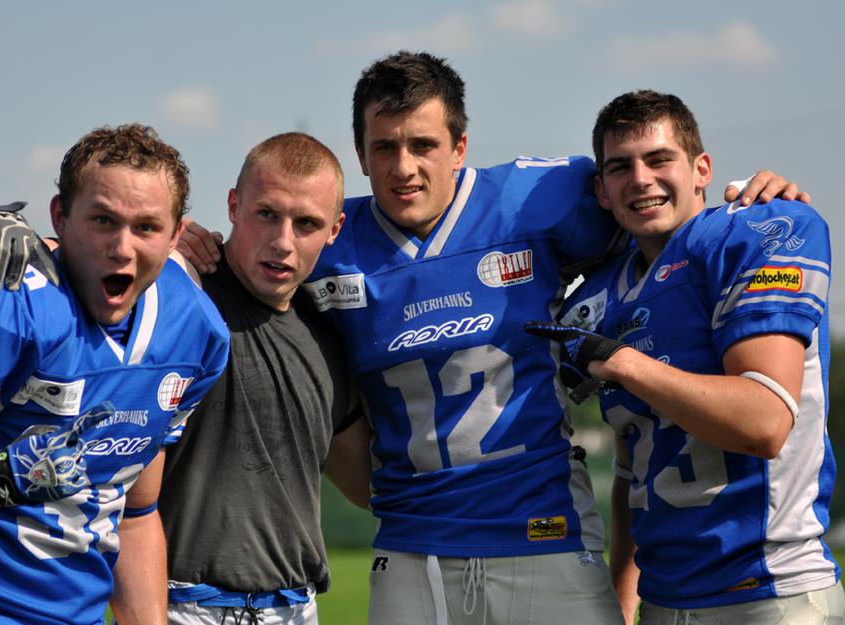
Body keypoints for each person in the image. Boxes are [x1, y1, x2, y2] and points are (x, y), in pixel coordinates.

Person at [175, 52, 806, 625]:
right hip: (413, 546)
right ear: (361, 156)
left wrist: (753, 203)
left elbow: (654, 208)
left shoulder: (542, 198)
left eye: (423, 144)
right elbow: (249, 259)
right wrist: (186, 245)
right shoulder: (328, 239)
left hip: (547, 532)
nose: (404, 167)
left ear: (460, 147)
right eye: (384, 146)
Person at [0, 132, 372, 625]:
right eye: (266, 214)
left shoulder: (329, 335)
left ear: (334, 229)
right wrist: (31, 242)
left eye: (306, 224)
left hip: (296, 610)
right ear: (233, 206)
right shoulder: (176, 292)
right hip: (177, 604)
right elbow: (102, 253)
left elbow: (369, 484)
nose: (282, 241)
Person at [526, 90, 842, 624]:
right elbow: (632, 463)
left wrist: (625, 363)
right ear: (602, 191)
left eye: (659, 159)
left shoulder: (759, 231)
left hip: (770, 593)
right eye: (620, 167)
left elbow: (764, 423)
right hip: (664, 599)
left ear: (702, 170)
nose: (641, 179)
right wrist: (624, 598)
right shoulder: (600, 297)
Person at [0, 124, 230, 625]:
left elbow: (136, 515)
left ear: (175, 236)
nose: (122, 248)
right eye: (102, 220)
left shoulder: (192, 327)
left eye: (146, 227)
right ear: (60, 215)